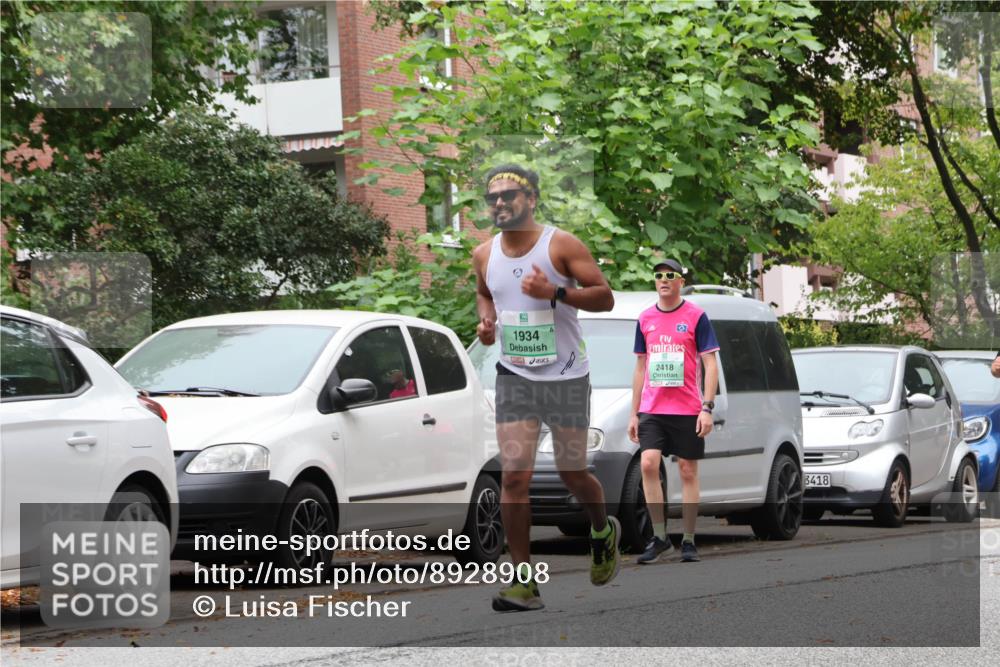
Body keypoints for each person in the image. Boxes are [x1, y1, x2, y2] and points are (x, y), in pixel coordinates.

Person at [472, 164, 619, 612]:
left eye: (508, 195)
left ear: (531, 199)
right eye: (492, 197)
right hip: (515, 373)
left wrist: (554, 292)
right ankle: (523, 581)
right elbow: (485, 290)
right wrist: (487, 321)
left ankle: (601, 528)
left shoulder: (561, 245)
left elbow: (604, 296)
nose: (499, 202)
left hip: (567, 374)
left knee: (574, 473)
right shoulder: (483, 253)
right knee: (515, 475)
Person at [627, 259, 719, 564]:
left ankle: (689, 540)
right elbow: (640, 367)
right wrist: (634, 412)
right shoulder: (645, 318)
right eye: (658, 275)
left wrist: (707, 407)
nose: (663, 280)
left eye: (670, 275)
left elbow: (710, 363)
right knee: (649, 464)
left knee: (687, 470)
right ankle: (660, 537)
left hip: (687, 408)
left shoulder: (696, 316)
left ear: (680, 281)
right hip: (653, 408)